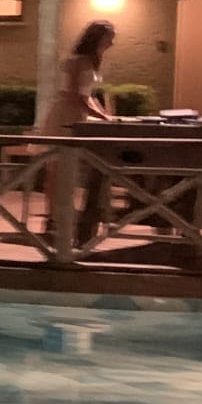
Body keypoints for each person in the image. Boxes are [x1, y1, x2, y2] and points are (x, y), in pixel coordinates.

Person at [40, 20, 117, 247]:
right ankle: (55, 221)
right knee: (58, 171)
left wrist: (104, 115)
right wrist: (102, 117)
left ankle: (61, 219)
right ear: (97, 38)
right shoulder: (79, 62)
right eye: (109, 38)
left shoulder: (88, 61)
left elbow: (88, 96)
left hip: (75, 114)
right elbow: (77, 96)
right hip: (67, 116)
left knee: (66, 172)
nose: (112, 43)